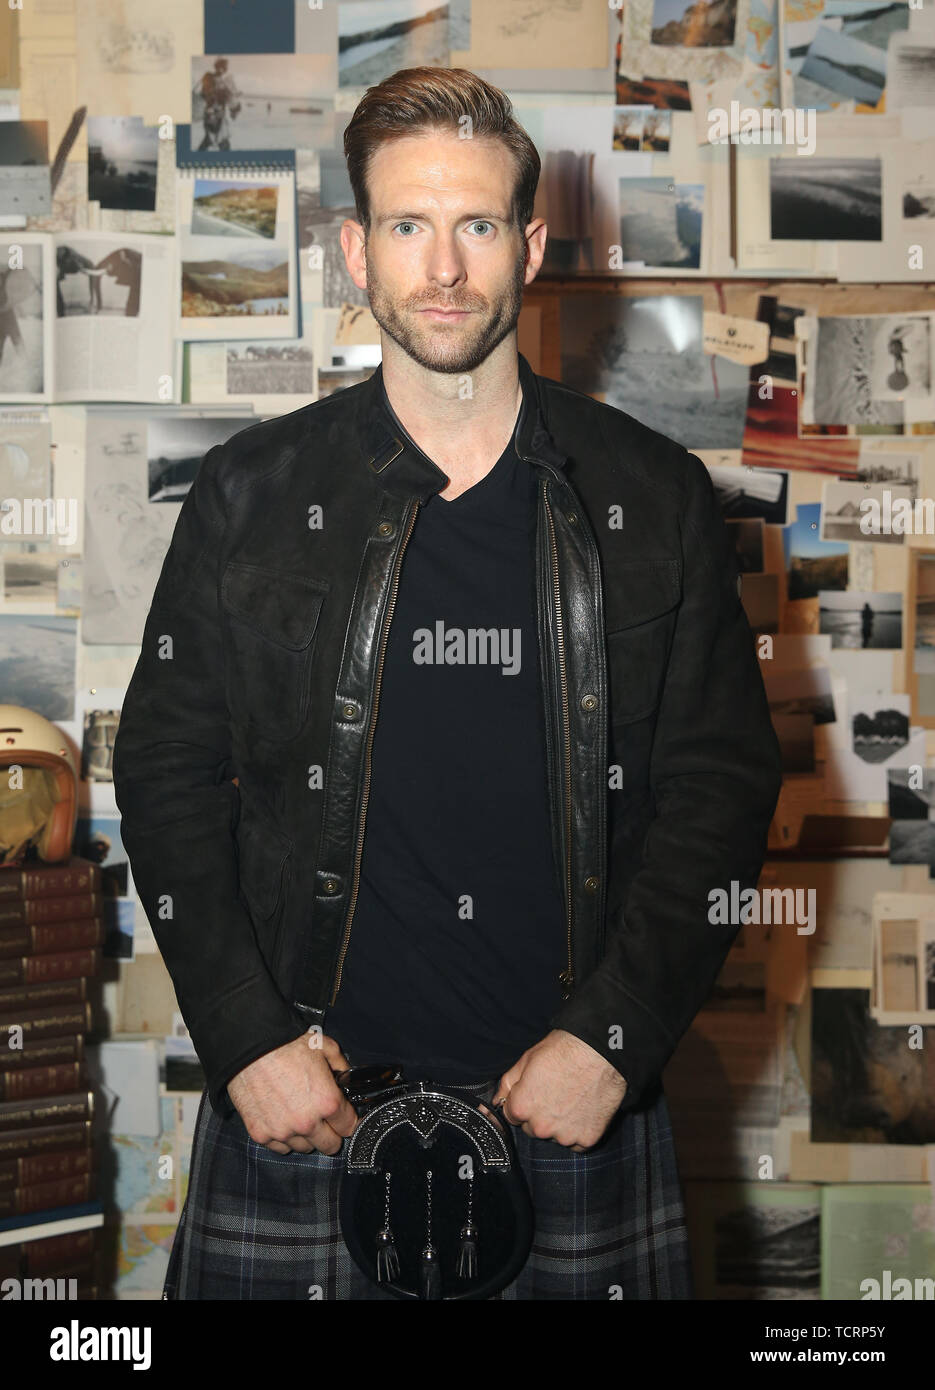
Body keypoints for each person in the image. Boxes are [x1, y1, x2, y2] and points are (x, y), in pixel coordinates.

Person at [112, 66, 783, 1301]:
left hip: (572, 1118)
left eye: (475, 225)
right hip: (303, 1110)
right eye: (407, 227)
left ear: (528, 244)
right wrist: (245, 1035)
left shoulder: (652, 496)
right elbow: (160, 769)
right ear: (354, 251)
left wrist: (611, 1039)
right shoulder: (251, 492)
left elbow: (722, 785)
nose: (443, 268)